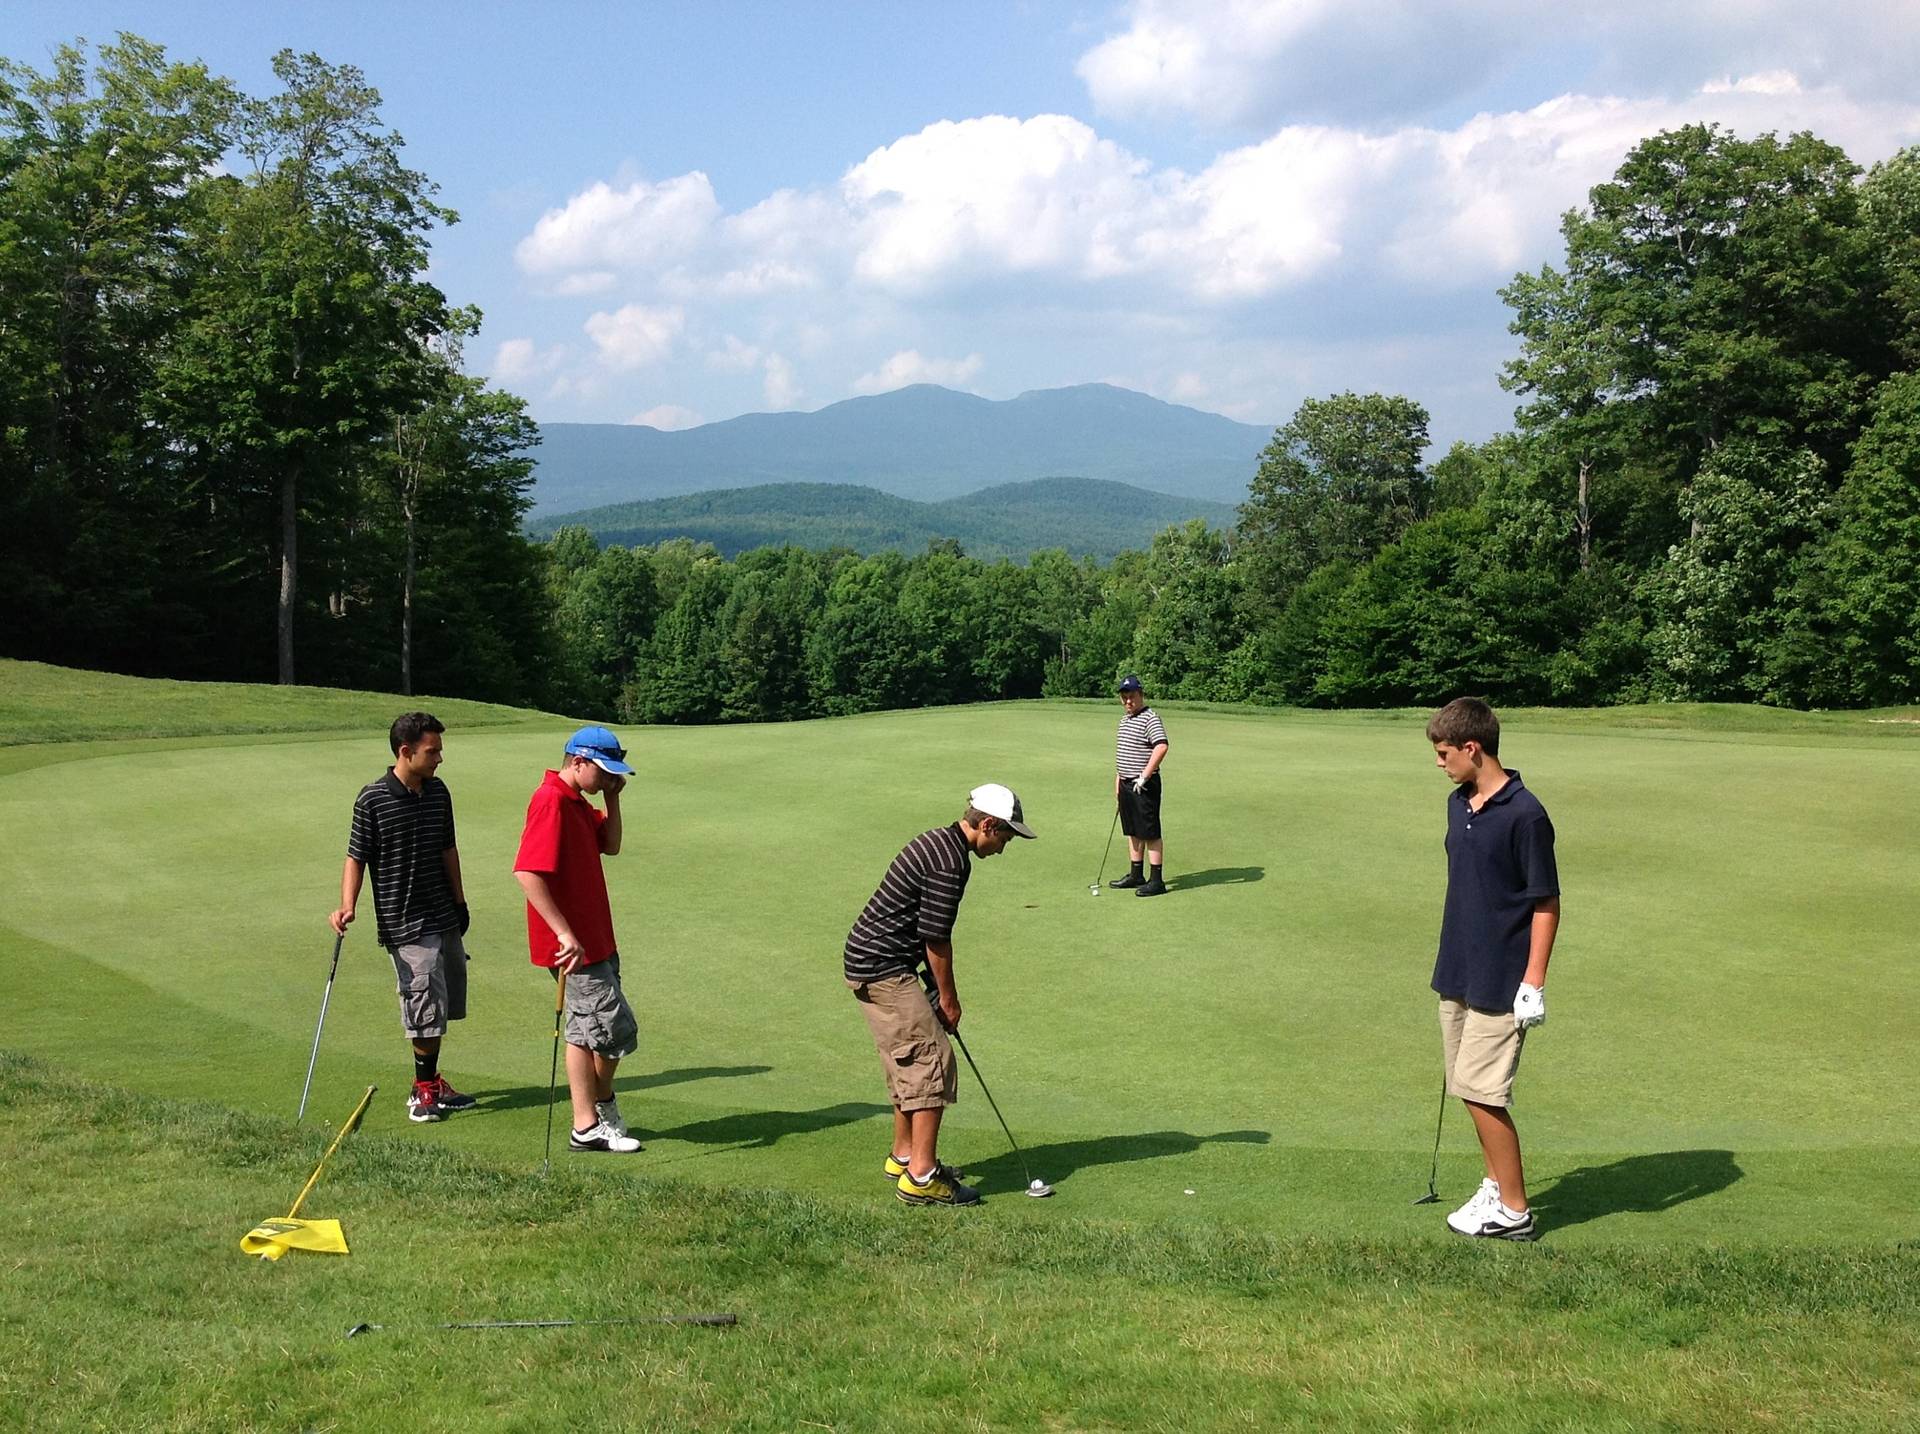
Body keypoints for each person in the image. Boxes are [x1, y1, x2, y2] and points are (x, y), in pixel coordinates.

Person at [845, 783, 1036, 1206]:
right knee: (932, 1061)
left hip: (872, 961)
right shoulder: (951, 862)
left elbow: (919, 927)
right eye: (1004, 836)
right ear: (986, 824)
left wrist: (930, 988)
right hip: (882, 967)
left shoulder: (938, 840)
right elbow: (935, 938)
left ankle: (904, 1155)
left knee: (907, 1058)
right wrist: (948, 999)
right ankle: (921, 1177)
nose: (1004, 847)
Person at [1426, 696, 1560, 1241]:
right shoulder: (1460, 804)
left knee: (1485, 1093)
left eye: (1443, 753)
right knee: (1467, 1086)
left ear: (1471, 748)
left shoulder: (1527, 815)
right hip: (1458, 968)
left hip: (1503, 978)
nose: (1439, 763)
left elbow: (1545, 902)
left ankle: (1515, 1210)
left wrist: (1533, 981)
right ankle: (1494, 1185)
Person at [330, 712, 477, 1124]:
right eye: (433, 752)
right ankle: (422, 1091)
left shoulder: (438, 792)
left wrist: (461, 903)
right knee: (424, 999)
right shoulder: (372, 798)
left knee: (441, 1001)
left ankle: (431, 1081)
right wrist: (348, 904)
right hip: (403, 918)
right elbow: (355, 856)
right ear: (405, 751)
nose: (440, 759)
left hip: (443, 911)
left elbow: (449, 848)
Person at [513, 725, 643, 1155]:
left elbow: (612, 845)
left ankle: (585, 1123)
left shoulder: (577, 802)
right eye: (604, 773)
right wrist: (564, 932)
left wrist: (612, 797)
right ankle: (596, 1109)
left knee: (583, 1033)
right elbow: (527, 872)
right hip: (574, 947)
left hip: (597, 938)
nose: (608, 779)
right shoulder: (550, 800)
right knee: (615, 1031)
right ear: (578, 761)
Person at [1110, 674, 1169, 896]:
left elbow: (1161, 746)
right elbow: (1125, 753)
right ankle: (1136, 875)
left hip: (1144, 784)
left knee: (1150, 832)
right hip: (1126, 783)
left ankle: (1157, 880)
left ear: (1140, 695)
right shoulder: (1125, 720)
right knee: (1133, 830)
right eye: (1124, 697)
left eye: (1131, 696)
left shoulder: (1150, 718)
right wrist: (1119, 780)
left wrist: (1144, 775)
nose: (1127, 701)